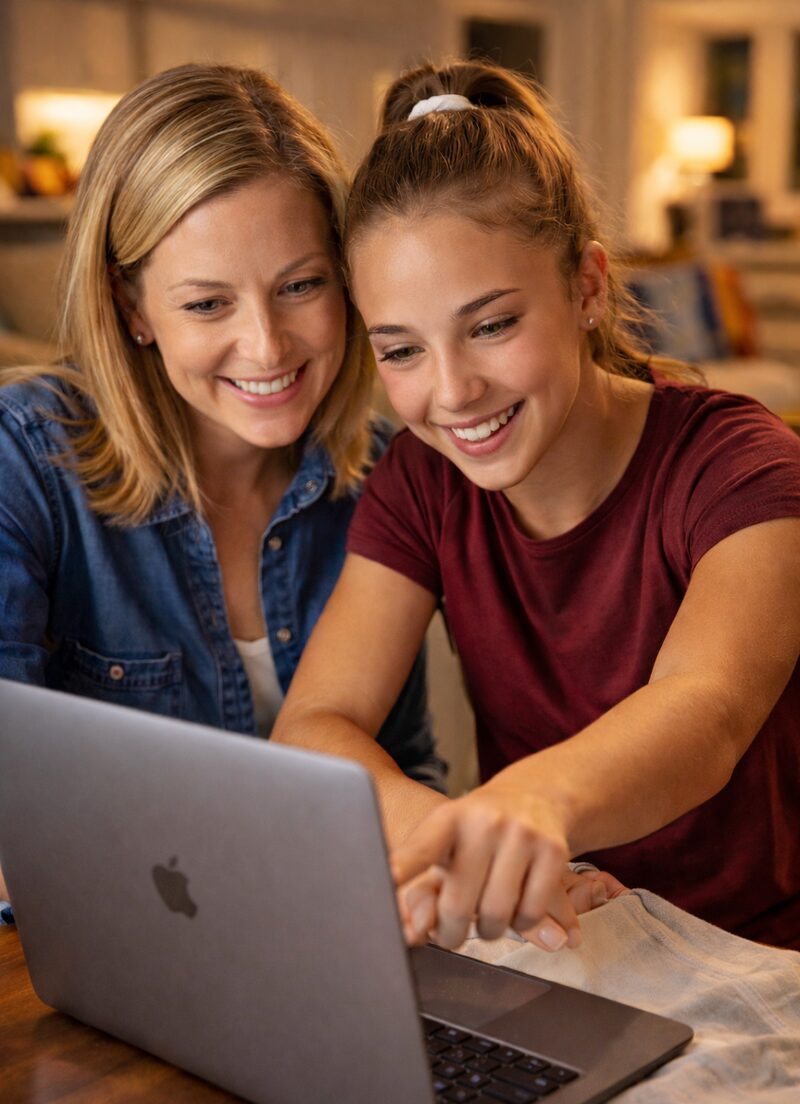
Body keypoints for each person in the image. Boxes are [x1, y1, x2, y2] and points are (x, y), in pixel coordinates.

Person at [273, 60, 800, 953]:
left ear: (588, 287)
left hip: (755, 963)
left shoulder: (742, 469)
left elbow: (705, 709)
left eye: (491, 325)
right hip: (556, 947)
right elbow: (314, 726)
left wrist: (531, 803)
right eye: (401, 351)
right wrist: (449, 836)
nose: (453, 392)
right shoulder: (422, 485)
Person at [0, 63, 445, 904]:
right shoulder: (23, 463)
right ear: (131, 306)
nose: (268, 347)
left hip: (336, 930)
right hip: (102, 957)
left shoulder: (388, 475)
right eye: (207, 305)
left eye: (301, 286)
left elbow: (404, 765)